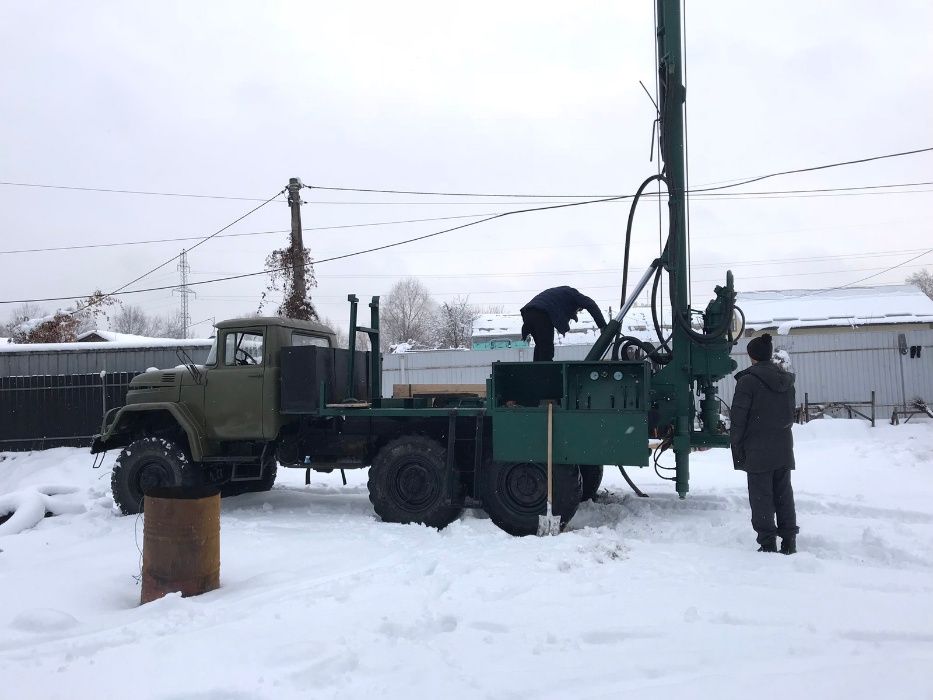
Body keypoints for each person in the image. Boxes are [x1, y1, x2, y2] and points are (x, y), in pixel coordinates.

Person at [730, 333, 799, 554]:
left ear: (751, 356)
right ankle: (789, 542)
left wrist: (737, 446)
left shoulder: (747, 381)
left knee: (761, 498)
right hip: (782, 446)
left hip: (757, 449)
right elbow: (789, 416)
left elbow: (738, 420)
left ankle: (767, 543)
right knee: (783, 495)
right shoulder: (787, 382)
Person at [520, 286, 607, 361]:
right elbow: (590, 304)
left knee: (540, 346)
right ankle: (546, 374)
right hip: (541, 313)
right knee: (547, 348)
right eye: (578, 310)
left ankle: (536, 371)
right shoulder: (574, 294)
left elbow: (562, 313)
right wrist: (602, 325)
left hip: (527, 313)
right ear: (578, 304)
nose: (577, 312)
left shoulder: (561, 295)